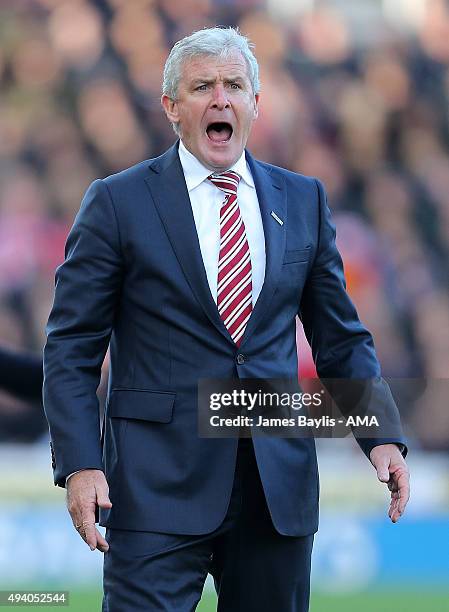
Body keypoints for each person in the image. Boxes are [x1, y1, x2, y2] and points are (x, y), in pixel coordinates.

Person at [43, 27, 410, 612]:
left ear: (255, 104)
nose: (221, 99)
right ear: (171, 107)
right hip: (154, 489)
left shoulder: (303, 200)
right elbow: (71, 348)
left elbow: (339, 335)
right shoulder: (117, 202)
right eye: (202, 87)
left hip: (276, 489)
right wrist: (80, 464)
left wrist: (381, 433)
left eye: (235, 85)